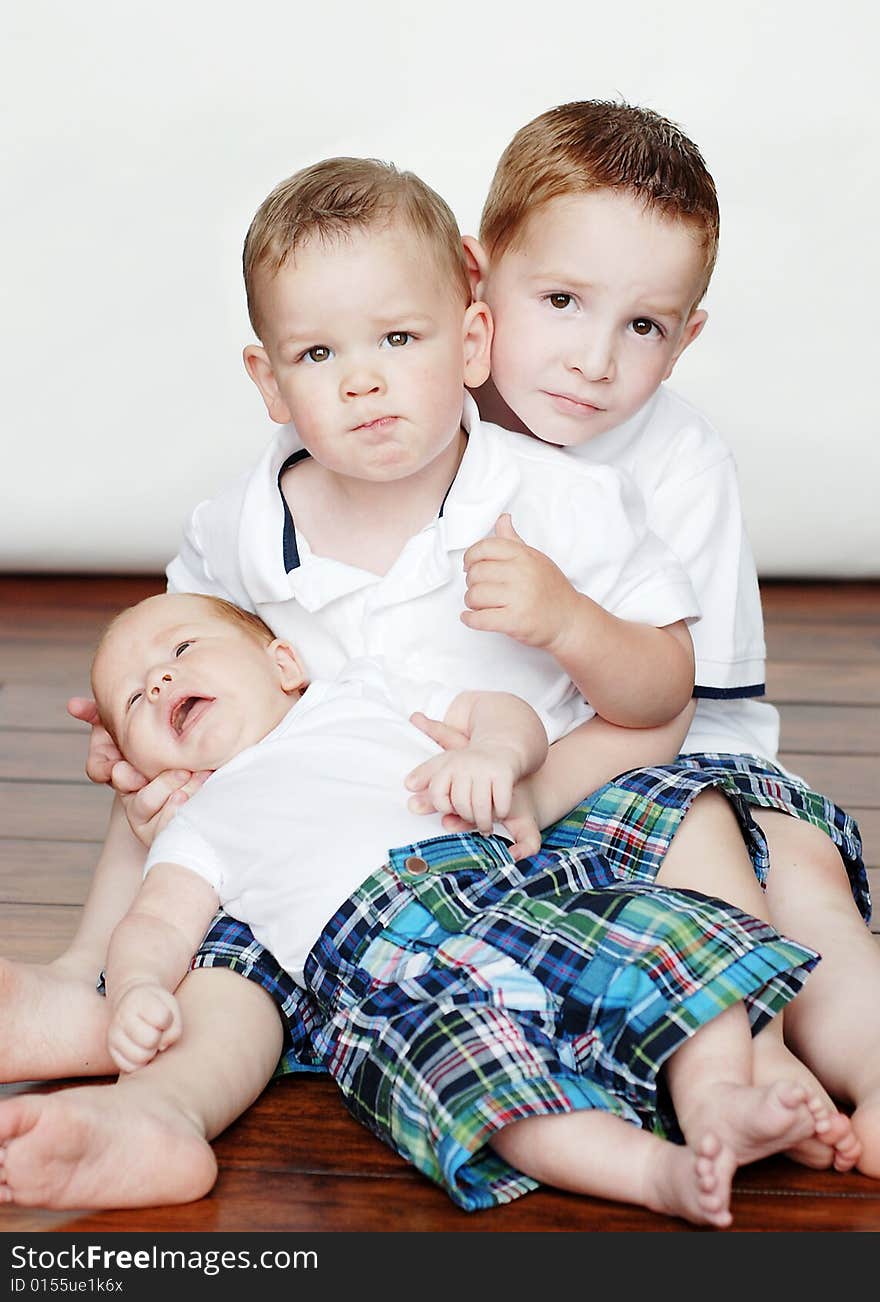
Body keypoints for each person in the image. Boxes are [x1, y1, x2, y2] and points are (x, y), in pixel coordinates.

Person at [0, 155, 853, 1212]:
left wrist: (560, 627)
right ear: (270, 380)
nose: (362, 381)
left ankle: (733, 1067)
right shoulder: (239, 525)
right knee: (227, 921)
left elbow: (652, 699)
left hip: (524, 810)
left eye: (398, 341)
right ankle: (136, 1068)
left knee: (672, 875)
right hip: (326, 849)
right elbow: (178, 645)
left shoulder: (552, 499)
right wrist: (137, 724)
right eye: (319, 354)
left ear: (468, 341)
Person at [49, 590, 836, 1227]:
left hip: (509, 891)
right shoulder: (198, 821)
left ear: (283, 662)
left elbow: (499, 710)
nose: (156, 682)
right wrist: (140, 989)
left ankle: (718, 1098)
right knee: (478, 1087)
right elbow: (154, 923)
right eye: (131, 698)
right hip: (382, 977)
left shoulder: (361, 694)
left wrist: (494, 752)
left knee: (664, 938)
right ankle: (656, 1176)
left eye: (180, 651)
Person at [460, 98, 877, 1173]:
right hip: (510, 775)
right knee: (651, 908)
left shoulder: (678, 460)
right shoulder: (415, 413)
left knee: (797, 873)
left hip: (684, 749)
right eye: (559, 299)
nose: (593, 360)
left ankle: (860, 1062)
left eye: (641, 325)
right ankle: (754, 1058)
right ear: (476, 278)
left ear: (685, 336)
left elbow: (700, 713)